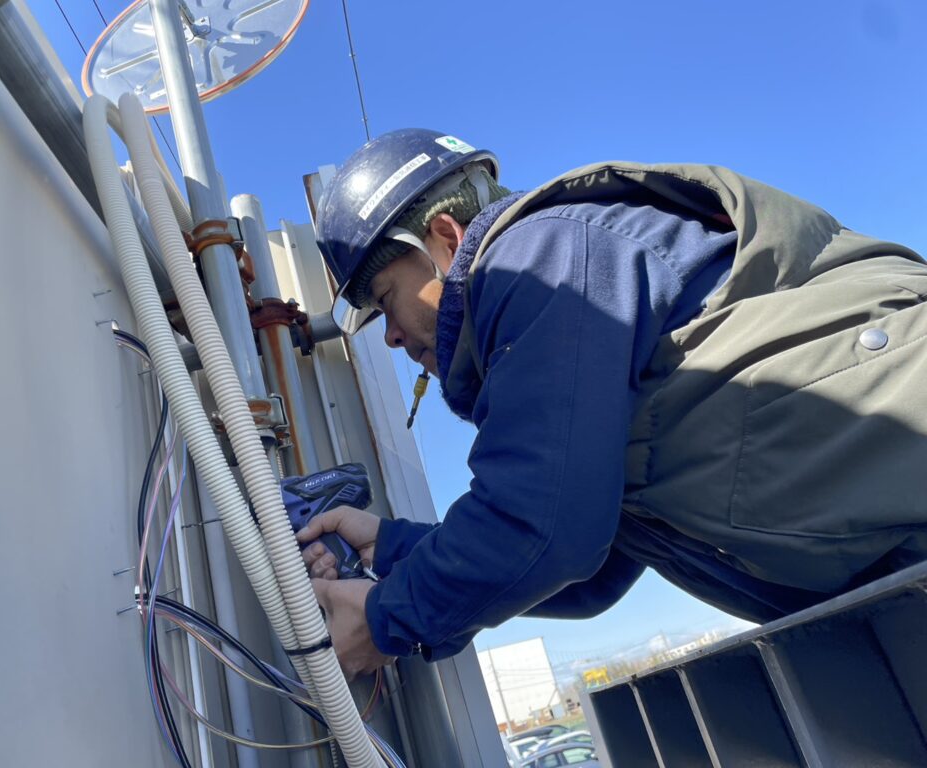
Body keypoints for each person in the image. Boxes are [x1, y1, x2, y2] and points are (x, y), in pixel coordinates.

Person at [299, 128, 927, 680]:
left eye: (386, 299)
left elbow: (546, 523)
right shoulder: (594, 361)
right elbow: (589, 572)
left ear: (444, 237)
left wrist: (385, 618)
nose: (390, 337)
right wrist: (393, 546)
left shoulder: (534, 256)